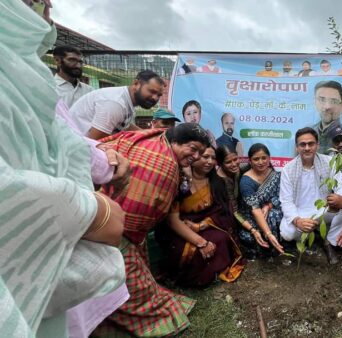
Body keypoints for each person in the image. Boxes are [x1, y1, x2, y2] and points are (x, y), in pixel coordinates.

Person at [1, 1, 125, 337]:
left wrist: (104, 157)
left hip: (60, 252)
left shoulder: (25, 72)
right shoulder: (14, 77)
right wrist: (95, 210)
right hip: (29, 265)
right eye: (38, 2)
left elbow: (69, 140)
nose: (48, 13)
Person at [94, 123, 212, 337]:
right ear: (175, 141)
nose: (196, 156)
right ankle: (159, 323)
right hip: (109, 231)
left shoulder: (150, 142)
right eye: (192, 149)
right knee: (130, 290)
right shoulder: (163, 164)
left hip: (111, 223)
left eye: (201, 153)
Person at [156, 146, 244, 287]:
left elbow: (222, 211)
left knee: (221, 239)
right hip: (182, 227)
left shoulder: (217, 182)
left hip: (207, 224)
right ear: (194, 157)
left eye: (213, 158)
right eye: (205, 157)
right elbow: (172, 220)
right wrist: (200, 242)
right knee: (184, 248)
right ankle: (189, 278)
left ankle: (210, 274)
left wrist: (201, 225)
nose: (210, 161)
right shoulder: (178, 182)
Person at [279, 128, 342, 264]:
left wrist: (337, 199)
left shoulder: (329, 162)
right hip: (300, 213)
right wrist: (297, 221)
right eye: (302, 144)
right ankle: (315, 232)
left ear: (317, 145)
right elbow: (286, 201)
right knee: (287, 233)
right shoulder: (287, 170)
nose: (307, 148)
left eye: (311, 144)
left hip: (324, 210)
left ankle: (329, 241)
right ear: (297, 148)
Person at [69, 69, 164, 140]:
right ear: (136, 84)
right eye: (151, 91)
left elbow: (125, 126)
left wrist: (151, 136)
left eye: (159, 95)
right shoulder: (115, 103)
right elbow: (96, 142)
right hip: (75, 152)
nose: (155, 98)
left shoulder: (127, 101)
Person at [239, 144, 285, 257]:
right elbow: (255, 210)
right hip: (252, 217)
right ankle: (271, 246)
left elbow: (282, 196)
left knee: (277, 214)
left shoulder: (275, 174)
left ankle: (278, 245)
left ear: (269, 158)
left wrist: (269, 205)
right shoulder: (246, 181)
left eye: (264, 158)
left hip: (268, 211)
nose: (261, 162)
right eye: (256, 159)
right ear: (250, 161)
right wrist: (268, 233)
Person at [311, 80, 342, 153]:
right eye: (322, 99)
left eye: (334, 101)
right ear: (314, 102)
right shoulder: (309, 132)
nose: (327, 106)